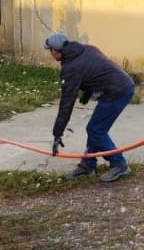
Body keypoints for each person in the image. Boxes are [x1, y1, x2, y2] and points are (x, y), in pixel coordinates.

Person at [45, 33, 134, 183]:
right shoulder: (87, 49)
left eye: (49, 51)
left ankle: (119, 164)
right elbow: (96, 70)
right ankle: (88, 165)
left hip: (117, 92)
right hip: (120, 86)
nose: (50, 54)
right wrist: (87, 93)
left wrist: (57, 133)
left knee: (96, 130)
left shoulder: (70, 68)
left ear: (55, 51)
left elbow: (66, 103)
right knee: (94, 128)